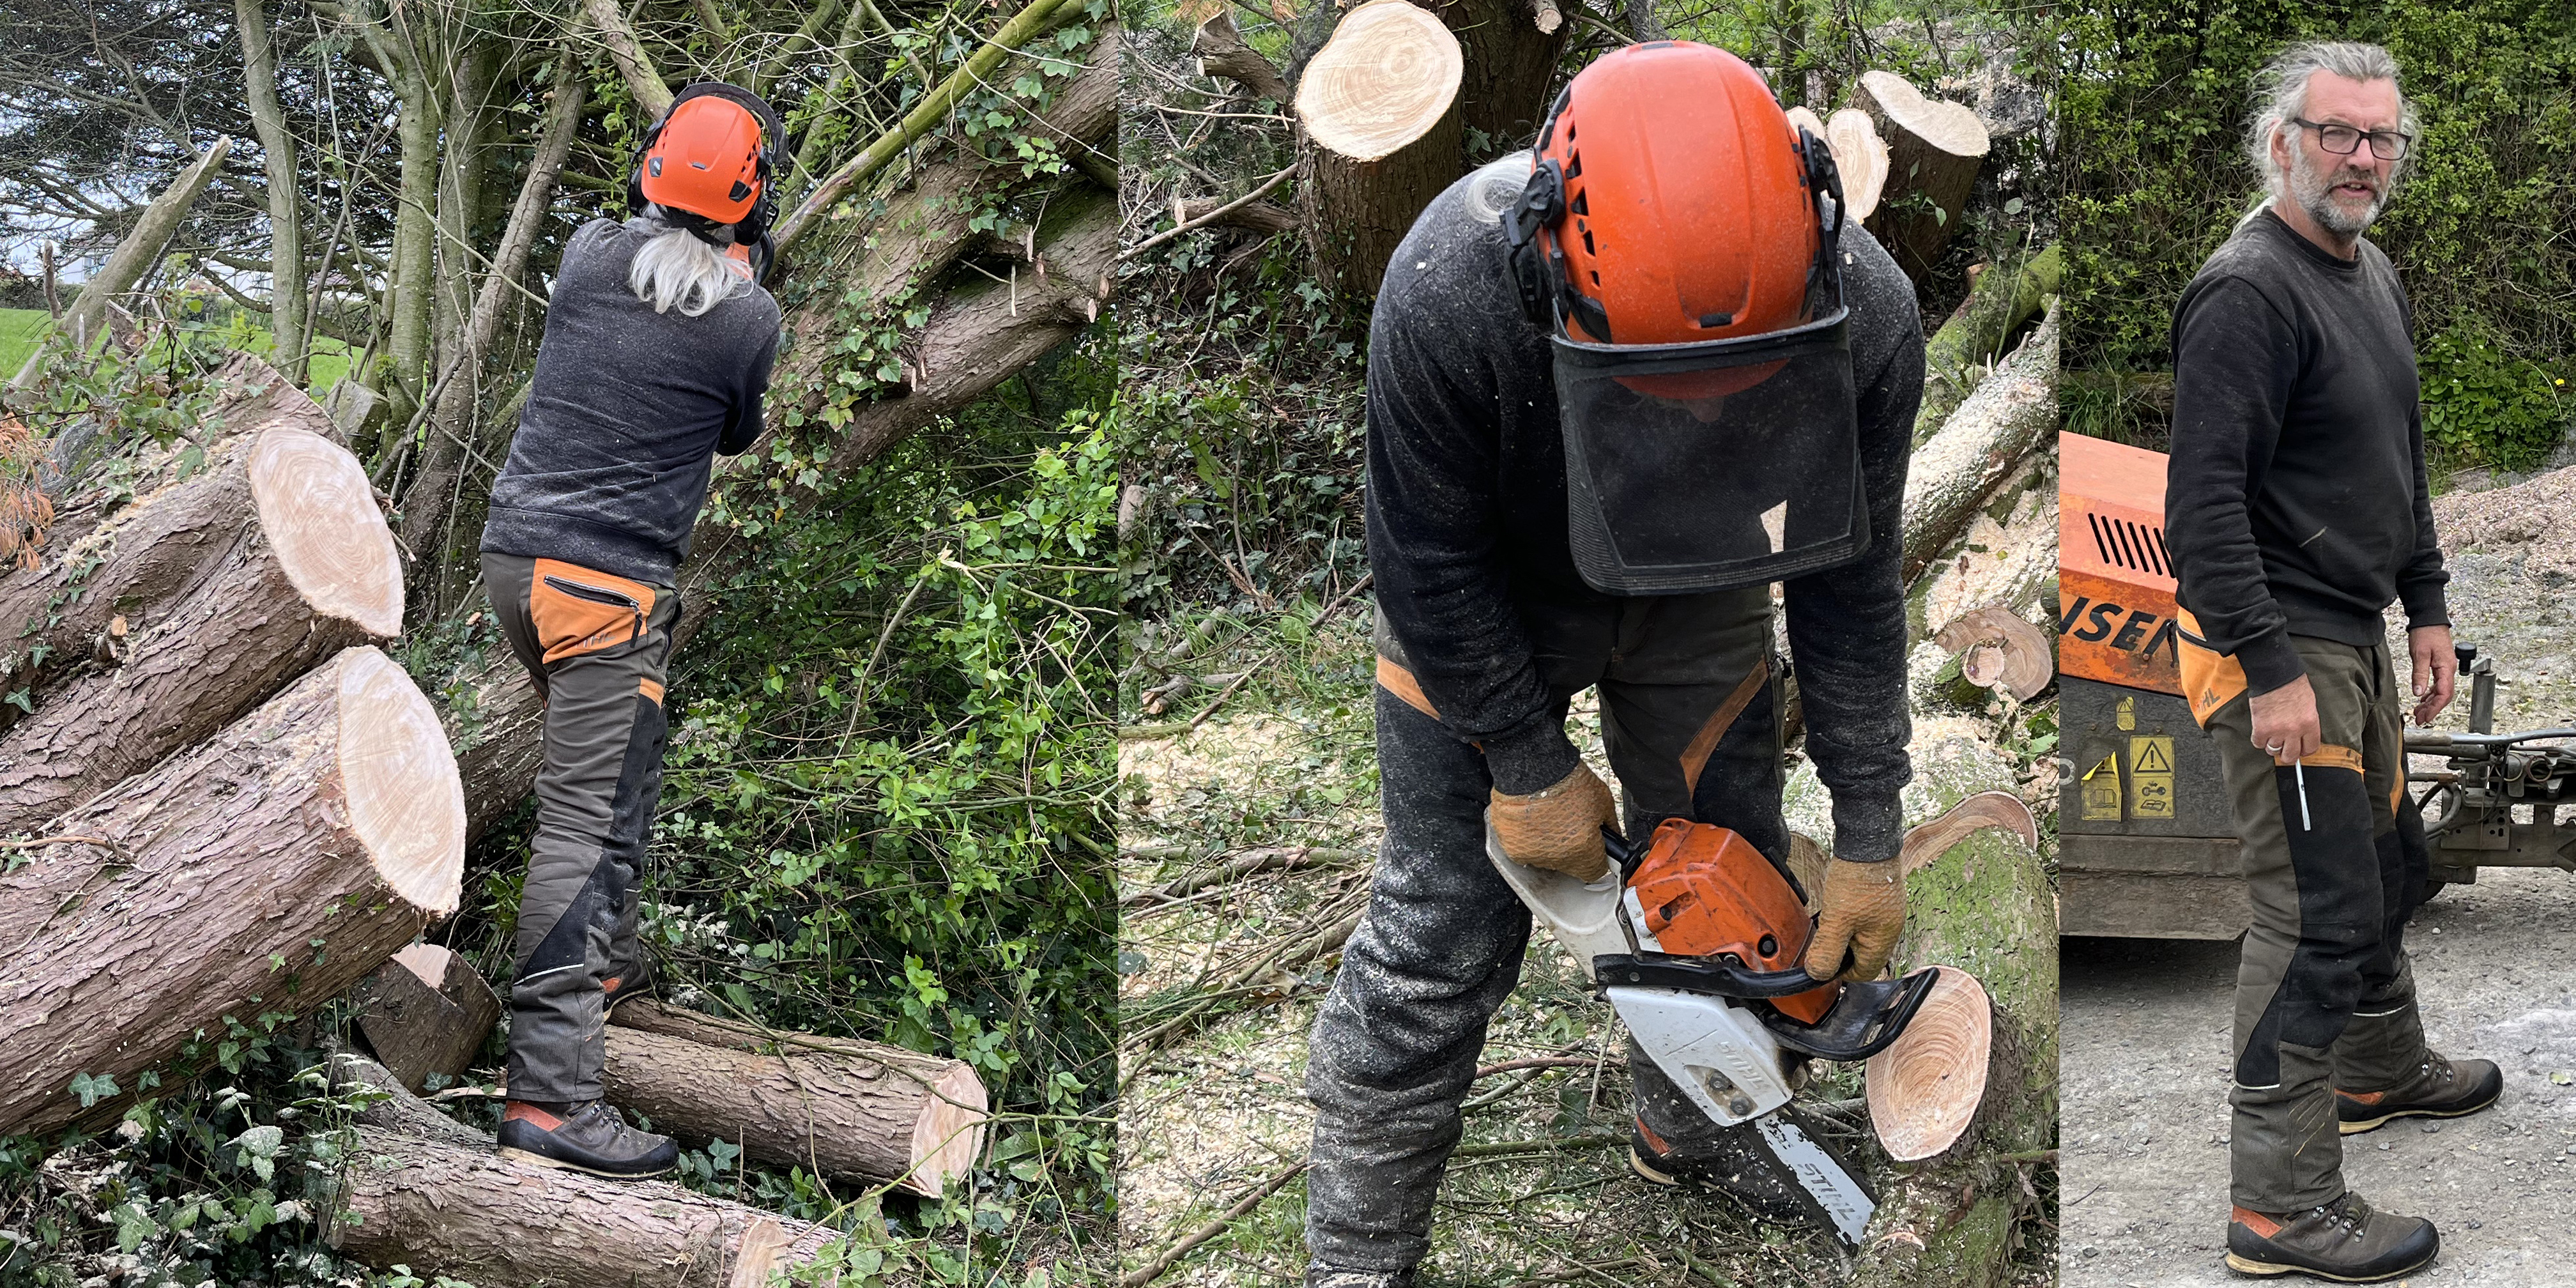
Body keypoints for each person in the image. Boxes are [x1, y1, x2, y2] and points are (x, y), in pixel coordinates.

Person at [1302, 42, 1922, 1287]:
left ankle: (1688, 1124)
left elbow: (1850, 577)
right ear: (1550, 260)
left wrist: (1868, 828)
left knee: (1726, 877)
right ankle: (1361, 1258)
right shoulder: (1450, 285)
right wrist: (1526, 763)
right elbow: (1423, 555)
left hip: (1703, 593)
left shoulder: (1868, 315)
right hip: (1495, 599)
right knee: (1441, 930)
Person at [2165, 41, 2501, 1284]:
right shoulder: (2246, 295)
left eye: (2381, 138)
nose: (2363, 157)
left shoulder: (2369, 275)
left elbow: (2398, 466)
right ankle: (2278, 1206)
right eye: (2339, 132)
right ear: (2282, 143)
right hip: (2276, 643)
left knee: (2379, 859)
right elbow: (2199, 518)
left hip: (2351, 631)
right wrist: (2275, 672)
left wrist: (2423, 605)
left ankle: (2376, 1070)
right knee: (2306, 917)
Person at [479, 82, 785, 1178]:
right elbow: (737, 433)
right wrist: (740, 273)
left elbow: (639, 274)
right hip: (607, 598)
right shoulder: (750, 322)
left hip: (514, 568)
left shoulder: (587, 252)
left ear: (650, 171)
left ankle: (599, 970)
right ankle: (553, 1099)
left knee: (627, 766)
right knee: (583, 829)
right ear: (756, 205)